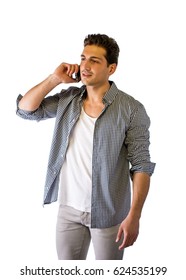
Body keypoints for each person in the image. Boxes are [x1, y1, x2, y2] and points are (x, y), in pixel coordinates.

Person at [16, 34, 155, 260]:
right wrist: (54, 79)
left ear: (111, 68)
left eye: (94, 61)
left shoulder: (131, 109)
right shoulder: (68, 99)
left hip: (109, 213)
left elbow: (141, 165)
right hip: (68, 209)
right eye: (83, 59)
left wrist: (135, 216)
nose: (85, 66)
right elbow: (26, 110)